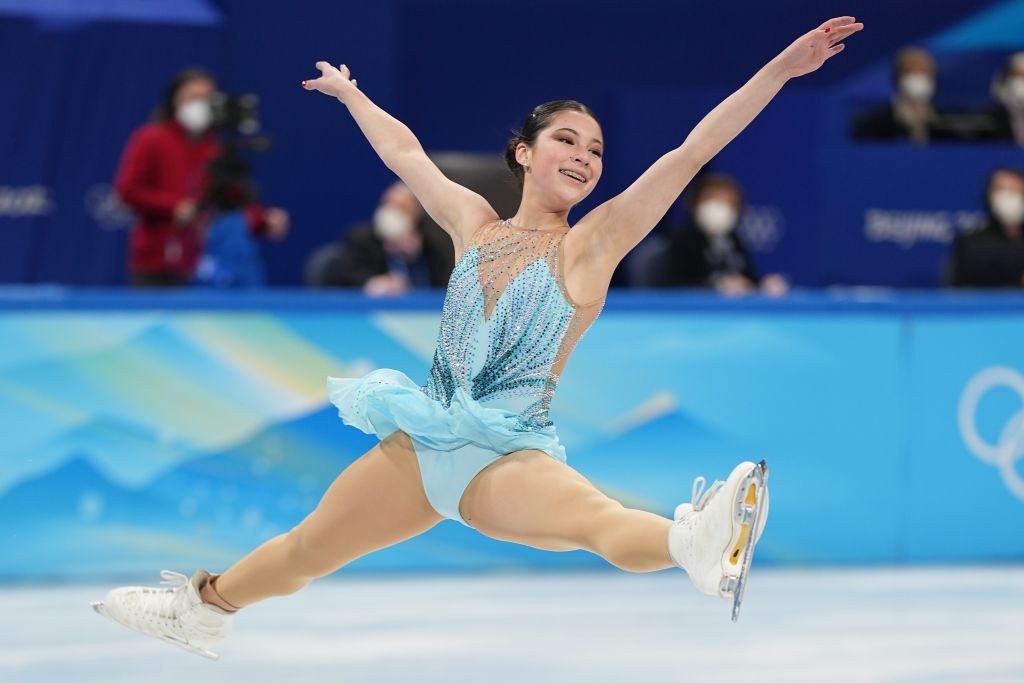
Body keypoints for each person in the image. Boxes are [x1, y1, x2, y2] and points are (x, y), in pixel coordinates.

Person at [91, 16, 863, 658]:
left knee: (598, 521)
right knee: (301, 552)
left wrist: (780, 72)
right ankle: (201, 607)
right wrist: (352, 94)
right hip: (420, 440)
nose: (585, 158)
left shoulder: (592, 246)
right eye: (567, 141)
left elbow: (691, 152)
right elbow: (404, 153)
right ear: (525, 153)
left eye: (595, 150)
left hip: (506, 451)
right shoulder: (474, 225)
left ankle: (692, 544)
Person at [115, 68, 289, 286]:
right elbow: (129, 190)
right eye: (192, 97)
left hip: (202, 265)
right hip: (156, 263)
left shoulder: (215, 147)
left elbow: (227, 201)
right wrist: (174, 206)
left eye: (206, 98)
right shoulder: (150, 138)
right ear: (174, 100)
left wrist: (263, 221)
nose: (199, 104)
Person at [637, 173, 788, 295]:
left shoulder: (734, 240)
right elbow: (673, 286)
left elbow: (746, 277)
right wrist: (716, 287)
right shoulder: (680, 241)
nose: (719, 208)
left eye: (728, 202)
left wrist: (762, 285)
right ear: (695, 204)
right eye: (712, 200)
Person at [308, 181, 452, 294]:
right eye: (387, 205)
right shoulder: (361, 239)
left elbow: (440, 286)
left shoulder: (428, 245)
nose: (392, 212)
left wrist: (414, 258)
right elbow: (346, 275)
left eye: (401, 208)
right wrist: (374, 283)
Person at [852, 46, 958, 144]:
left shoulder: (950, 123)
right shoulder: (872, 124)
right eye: (911, 71)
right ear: (897, 77)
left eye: (924, 72)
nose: (918, 78)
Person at [950, 167, 1024, 287]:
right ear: (988, 196)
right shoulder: (970, 243)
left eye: (1014, 190)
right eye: (1001, 190)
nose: (1008, 196)